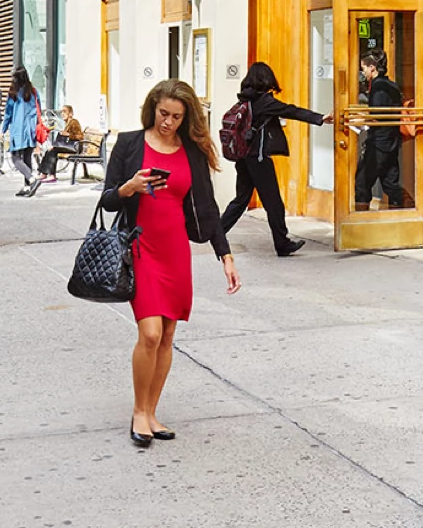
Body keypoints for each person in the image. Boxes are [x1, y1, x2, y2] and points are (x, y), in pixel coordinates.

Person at [101, 77, 239, 448]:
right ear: (153, 109)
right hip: (141, 248)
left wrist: (224, 255)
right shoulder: (130, 143)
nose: (169, 122)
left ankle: (151, 411)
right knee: (150, 334)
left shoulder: (191, 151)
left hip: (176, 250)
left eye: (177, 117)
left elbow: (207, 209)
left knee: (168, 337)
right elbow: (108, 199)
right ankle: (138, 411)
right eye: (164, 114)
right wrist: (129, 187)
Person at [222, 64, 329, 256]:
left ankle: (217, 234)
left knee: (241, 199)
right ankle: (282, 244)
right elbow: (291, 111)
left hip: (244, 157)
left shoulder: (245, 99)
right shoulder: (264, 102)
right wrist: (320, 118)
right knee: (273, 203)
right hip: (259, 158)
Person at [356, 49, 415, 210]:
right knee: (390, 182)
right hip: (392, 140)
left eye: (364, 68)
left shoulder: (378, 87)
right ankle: (405, 211)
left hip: (379, 142)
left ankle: (360, 221)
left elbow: (378, 115)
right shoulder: (391, 85)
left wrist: (360, 119)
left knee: (362, 183)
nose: (363, 72)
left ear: (372, 67)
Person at [0, 70, 47, 196]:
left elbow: (8, 113)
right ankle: (27, 187)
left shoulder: (14, 93)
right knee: (27, 158)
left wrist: (3, 130)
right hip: (31, 129)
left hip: (18, 129)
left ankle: (32, 180)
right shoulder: (33, 91)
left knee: (15, 158)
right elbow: (39, 110)